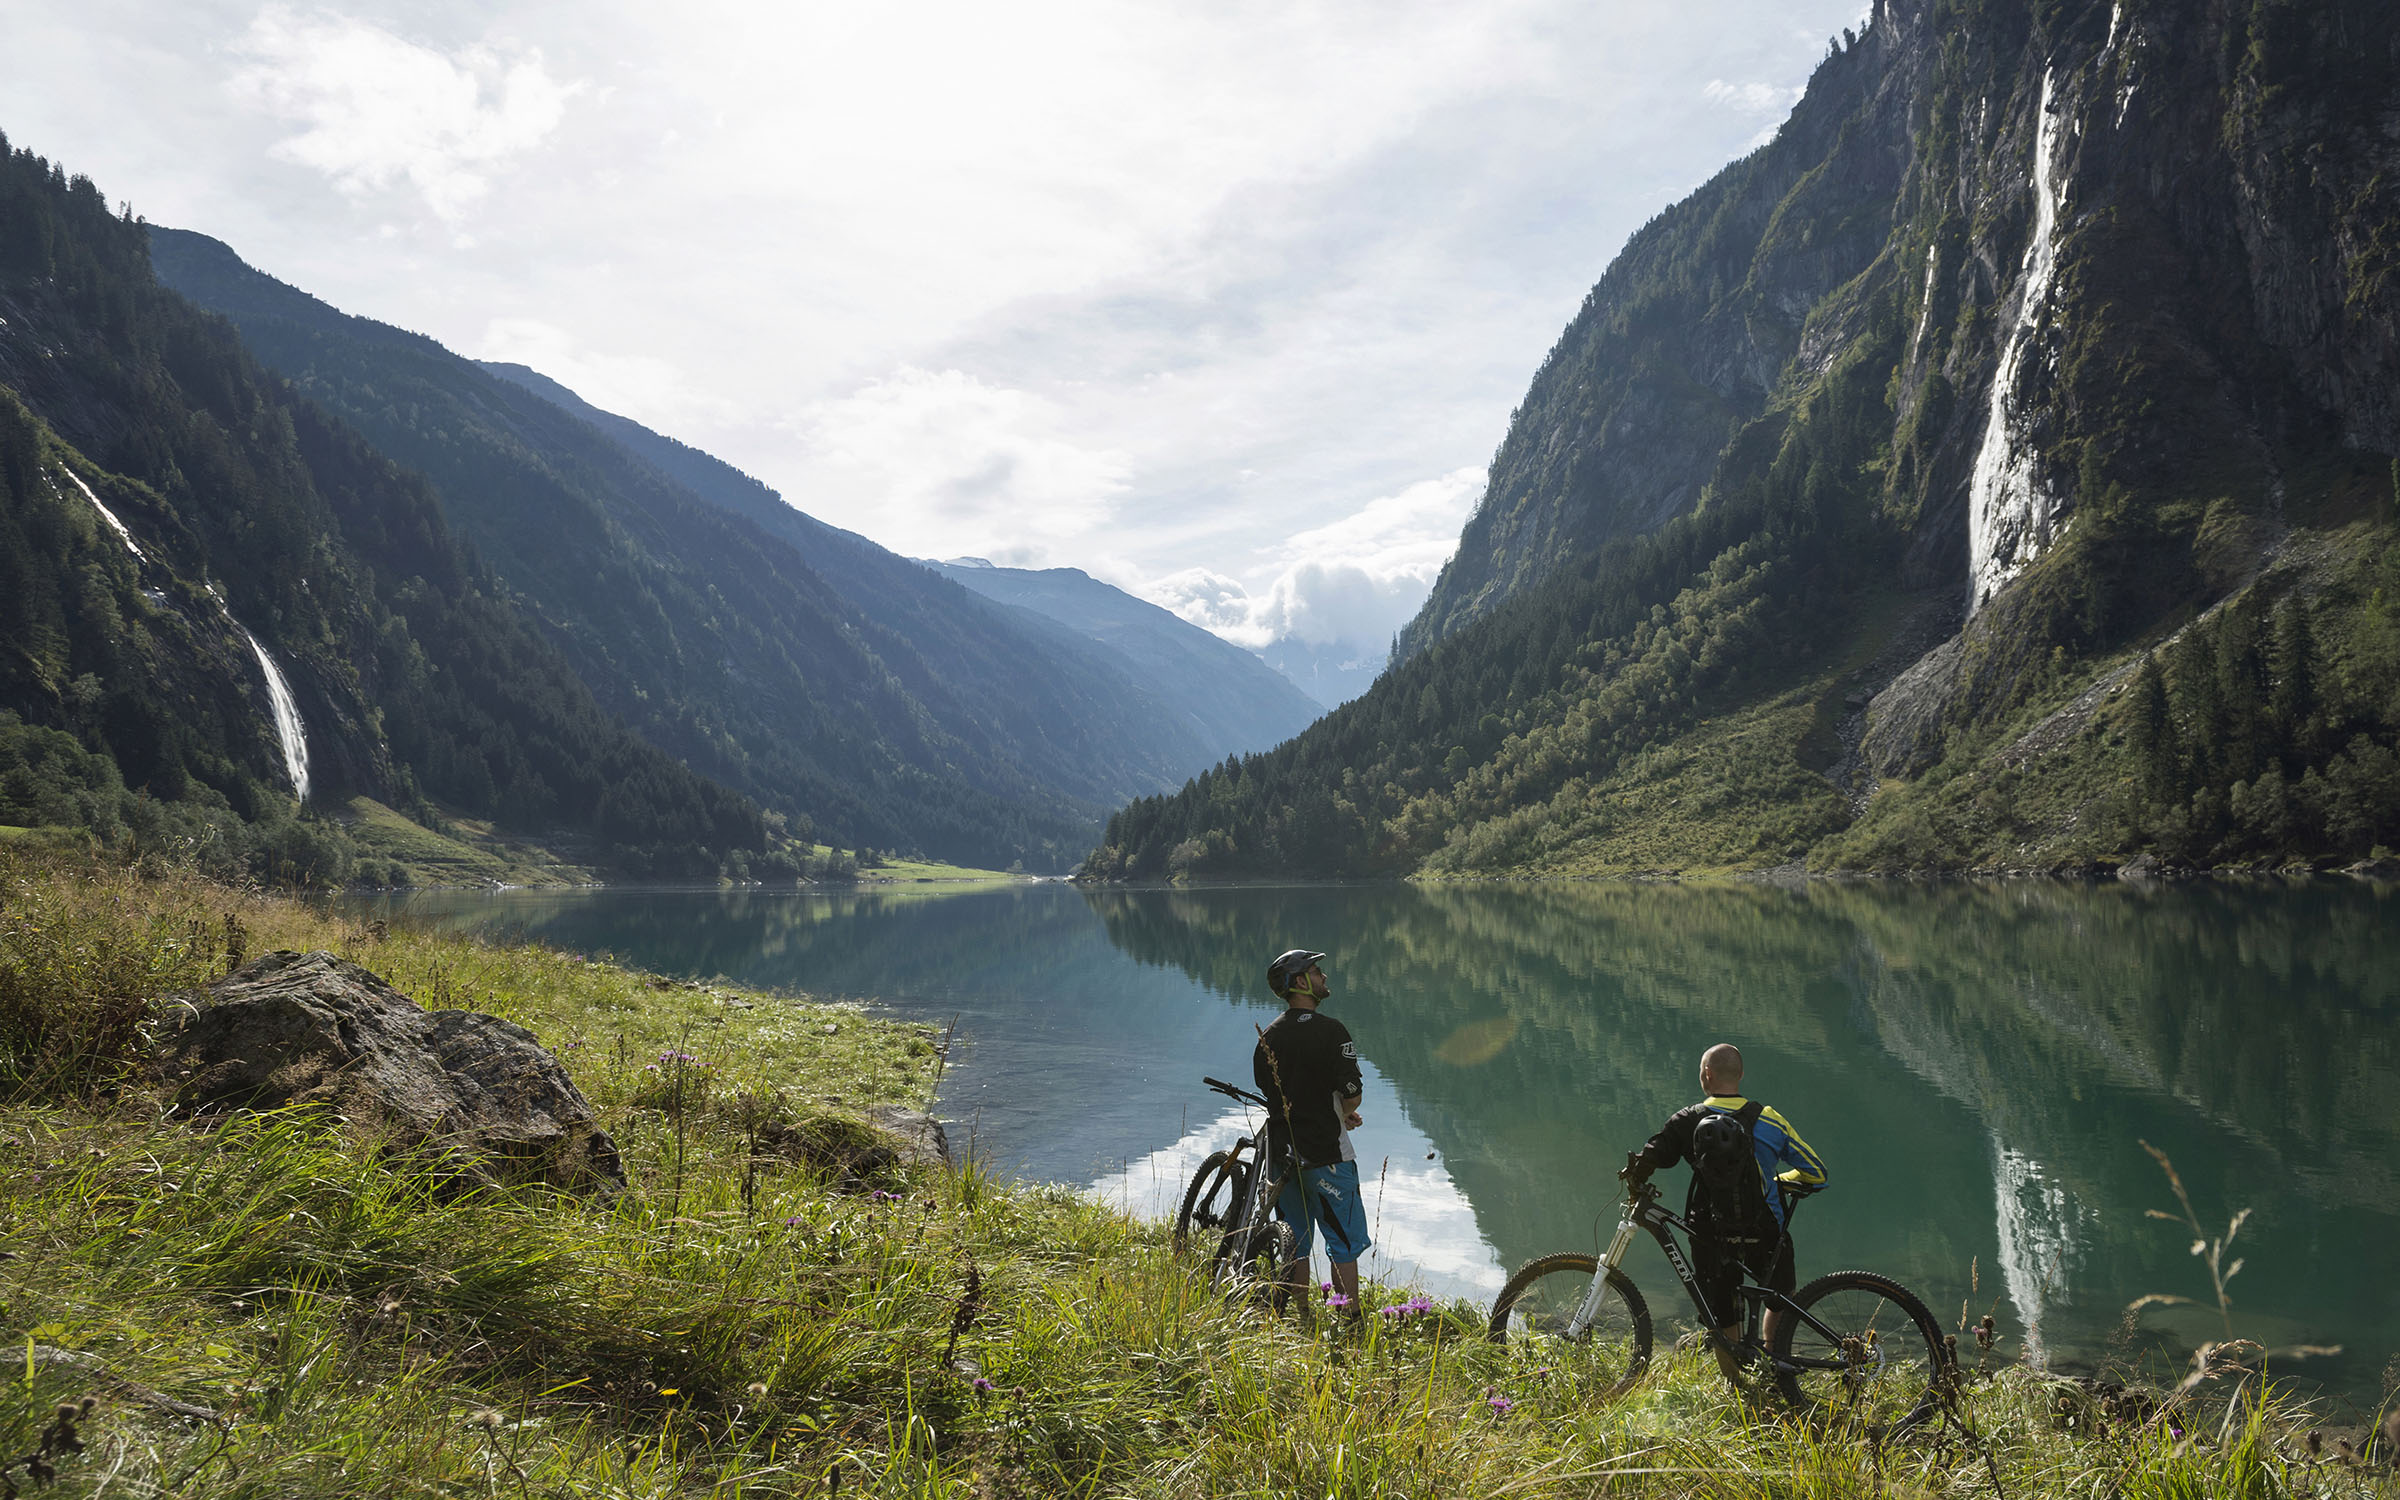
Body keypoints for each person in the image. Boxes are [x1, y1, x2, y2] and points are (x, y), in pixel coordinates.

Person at [1619, 1042, 1825, 1377]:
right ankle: (1774, 1356)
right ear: (1741, 1075)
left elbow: (1655, 1154)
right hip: (1764, 1229)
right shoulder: (1770, 1119)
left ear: (1706, 1075)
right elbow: (1816, 1173)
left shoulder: (1687, 1120)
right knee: (1781, 1295)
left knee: (1720, 1311)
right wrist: (1776, 1180)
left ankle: (1735, 1387)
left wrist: (1636, 1174)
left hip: (1711, 1233)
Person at [1253, 947, 1372, 1315]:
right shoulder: (1332, 1031)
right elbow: (1353, 1095)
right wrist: (1342, 1112)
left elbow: (1273, 1092)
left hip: (1282, 1158)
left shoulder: (1268, 1036)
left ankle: (1300, 1319)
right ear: (1301, 982)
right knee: (1343, 1244)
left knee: (1294, 1242)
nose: (1324, 977)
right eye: (1317, 971)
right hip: (1327, 1156)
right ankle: (1349, 1320)